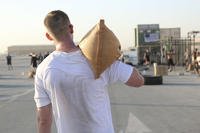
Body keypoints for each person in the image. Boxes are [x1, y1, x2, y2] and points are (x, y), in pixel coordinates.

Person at [34, 10, 144, 133]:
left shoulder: (43, 69)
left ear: (48, 36)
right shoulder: (99, 59)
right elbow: (138, 81)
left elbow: (43, 120)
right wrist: (114, 58)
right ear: (71, 28)